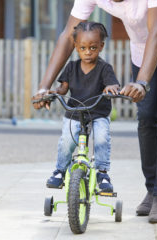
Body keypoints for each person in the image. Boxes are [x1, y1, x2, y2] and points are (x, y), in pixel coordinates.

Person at [32, 0, 157, 224]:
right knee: (147, 115)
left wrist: (142, 82)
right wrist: (44, 86)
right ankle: (152, 189)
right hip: (143, 44)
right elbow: (67, 35)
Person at [45, 22, 120, 193]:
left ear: (101, 46)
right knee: (67, 141)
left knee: (101, 139)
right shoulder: (71, 67)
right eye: (83, 48)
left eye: (93, 48)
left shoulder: (104, 68)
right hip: (74, 113)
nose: (88, 52)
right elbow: (63, 88)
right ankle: (60, 171)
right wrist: (54, 92)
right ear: (76, 47)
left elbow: (112, 84)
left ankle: (102, 173)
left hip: (98, 113)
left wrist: (111, 88)